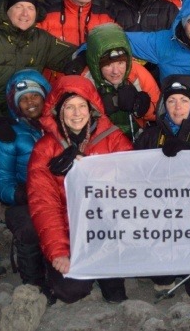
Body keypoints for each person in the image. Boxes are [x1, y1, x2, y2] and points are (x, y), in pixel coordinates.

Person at [0, 0, 78, 279]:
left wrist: (91, 62)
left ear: (37, 13)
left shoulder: (40, 40)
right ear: (7, 12)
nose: (24, 13)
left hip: (20, 121)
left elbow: (71, 57)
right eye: (18, 8)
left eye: (30, 8)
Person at [27, 75, 132, 304]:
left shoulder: (113, 139)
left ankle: (105, 268)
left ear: (92, 108)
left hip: (106, 230)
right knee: (70, 292)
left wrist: (89, 169)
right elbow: (44, 204)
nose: (77, 114)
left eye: (82, 106)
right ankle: (50, 264)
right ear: (58, 112)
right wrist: (58, 251)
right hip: (68, 231)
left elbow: (131, 184)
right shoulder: (45, 149)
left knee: (116, 295)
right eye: (69, 108)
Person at [133, 75, 190, 303]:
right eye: (171, 100)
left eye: (184, 101)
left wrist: (188, 161)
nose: (177, 107)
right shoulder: (150, 137)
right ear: (163, 105)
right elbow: (133, 182)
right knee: (161, 274)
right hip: (160, 223)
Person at [0, 70, 51, 290]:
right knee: (30, 227)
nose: (30, 102)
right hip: (21, 201)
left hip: (55, 197)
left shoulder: (59, 127)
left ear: (45, 96)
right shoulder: (9, 135)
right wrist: (19, 194)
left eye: (34, 96)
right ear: (16, 105)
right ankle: (33, 283)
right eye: (23, 99)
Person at [83, 23, 161, 141]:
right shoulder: (86, 80)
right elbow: (74, 120)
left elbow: (160, 112)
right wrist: (96, 111)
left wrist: (143, 106)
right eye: (108, 65)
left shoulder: (137, 74)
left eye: (120, 63)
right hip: (99, 141)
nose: (116, 71)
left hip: (136, 137)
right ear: (96, 64)